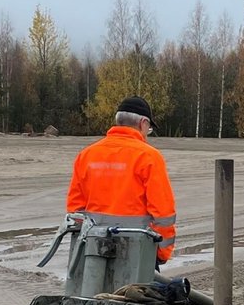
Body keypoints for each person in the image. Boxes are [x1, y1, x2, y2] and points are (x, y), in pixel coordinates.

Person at [67, 95, 178, 266]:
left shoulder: (87, 155)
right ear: (143, 123)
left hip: (93, 251)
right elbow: (163, 214)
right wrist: (161, 253)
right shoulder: (149, 157)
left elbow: (75, 211)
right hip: (137, 252)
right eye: (148, 129)